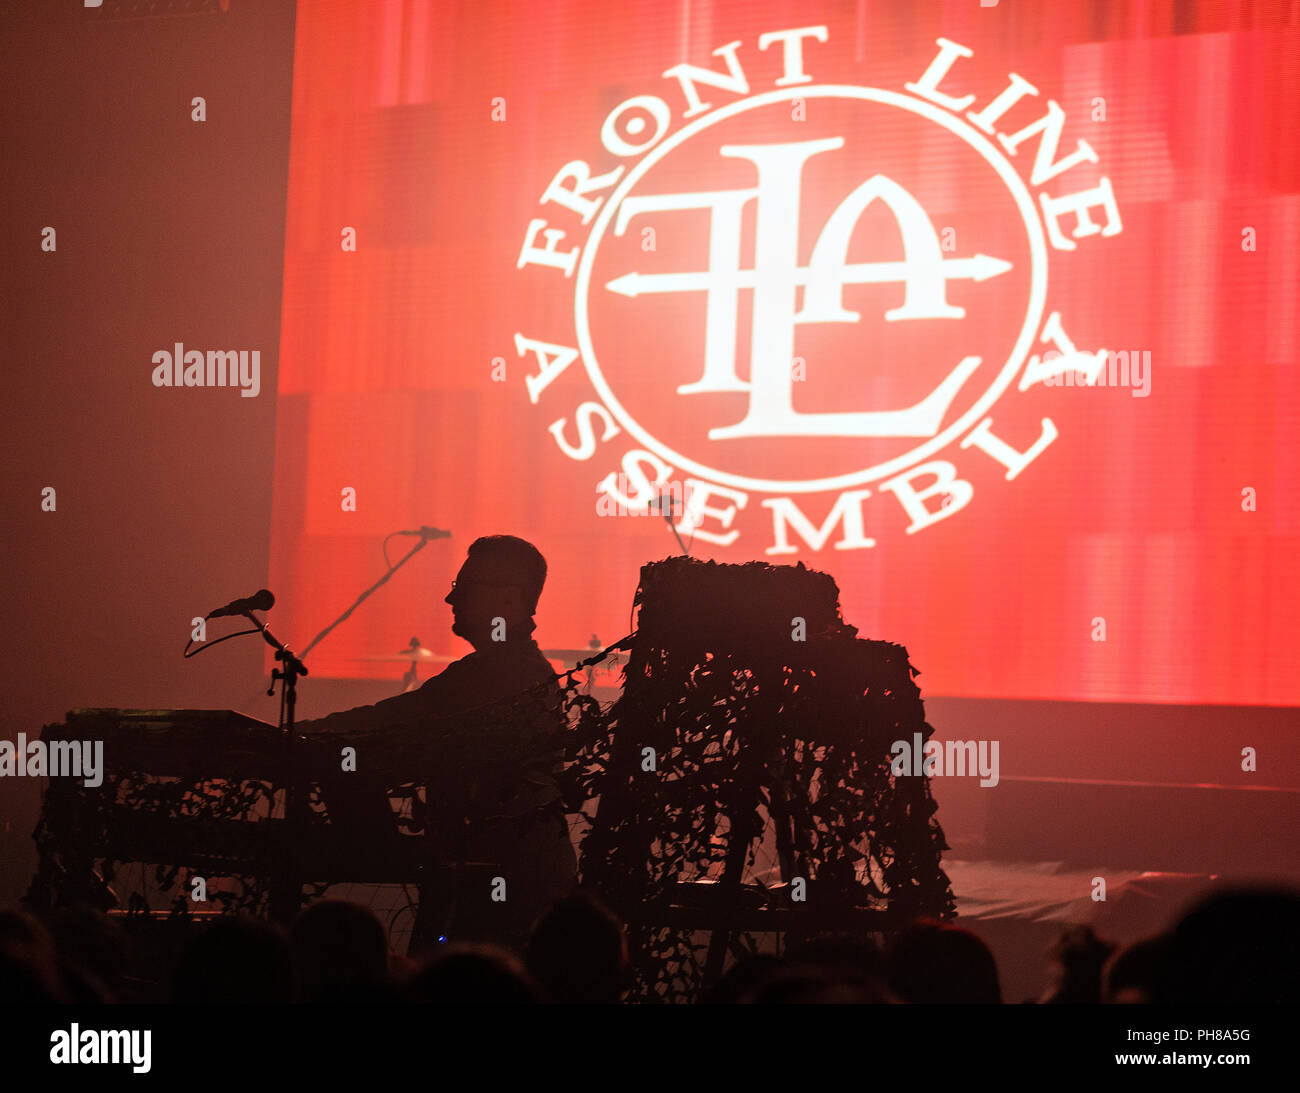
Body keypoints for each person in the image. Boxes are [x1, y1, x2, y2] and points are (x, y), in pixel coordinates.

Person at [301, 535, 578, 950]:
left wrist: (301, 734)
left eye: (464, 587)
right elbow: (393, 719)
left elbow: (392, 723)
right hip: (495, 883)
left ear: (508, 600)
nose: (450, 598)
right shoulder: (496, 673)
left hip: (501, 893)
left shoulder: (504, 678)